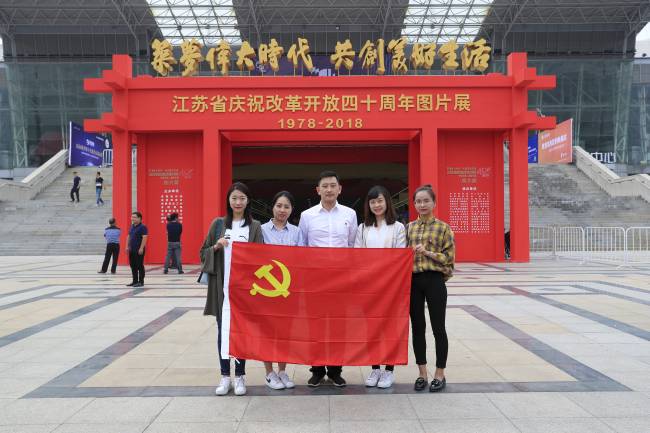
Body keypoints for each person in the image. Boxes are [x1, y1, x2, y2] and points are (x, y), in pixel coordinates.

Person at [200, 182, 264, 396]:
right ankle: (225, 376)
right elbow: (203, 252)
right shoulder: (218, 224)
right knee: (223, 331)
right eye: (234, 198)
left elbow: (261, 257)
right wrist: (216, 246)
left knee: (241, 332)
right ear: (228, 200)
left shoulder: (254, 226)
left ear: (248, 201)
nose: (238, 202)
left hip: (244, 289)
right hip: (222, 287)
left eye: (242, 198)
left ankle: (240, 376)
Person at [298, 170, 357, 388]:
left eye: (333, 185)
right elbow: (302, 247)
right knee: (315, 325)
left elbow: (352, 246)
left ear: (340, 189)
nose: (329, 189)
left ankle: (335, 370)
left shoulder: (350, 214)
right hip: (315, 279)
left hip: (341, 279)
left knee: (338, 326)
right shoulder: (307, 216)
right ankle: (316, 370)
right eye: (325, 186)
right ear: (318, 190)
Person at [354, 185, 406, 389]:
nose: (376, 205)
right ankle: (375, 367)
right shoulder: (362, 228)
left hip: (391, 286)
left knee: (390, 327)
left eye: (380, 201)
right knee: (371, 328)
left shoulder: (398, 227)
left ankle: (389, 370)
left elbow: (399, 255)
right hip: (369, 286)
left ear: (387, 202)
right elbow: (357, 255)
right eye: (373, 202)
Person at [407, 184, 455, 392]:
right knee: (417, 327)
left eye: (426, 200)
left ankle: (440, 373)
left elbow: (449, 259)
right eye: (418, 201)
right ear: (414, 204)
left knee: (438, 328)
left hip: (435, 280)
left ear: (434, 203)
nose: (422, 204)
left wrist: (427, 253)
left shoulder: (443, 228)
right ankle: (422, 373)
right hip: (413, 281)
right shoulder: (408, 228)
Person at [260, 191, 300, 391]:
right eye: (279, 206)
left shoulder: (297, 232)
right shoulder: (260, 230)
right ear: (273, 207)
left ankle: (282, 370)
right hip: (267, 290)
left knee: (285, 332)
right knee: (267, 332)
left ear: (291, 210)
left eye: (286, 206)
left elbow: (303, 258)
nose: (282, 210)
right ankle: (269, 373)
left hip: (288, 290)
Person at [125, 211, 148, 288]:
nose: (132, 218)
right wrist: (127, 246)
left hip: (139, 250)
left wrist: (141, 248)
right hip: (132, 249)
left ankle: (141, 281)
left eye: (134, 217)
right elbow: (128, 236)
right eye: (132, 217)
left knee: (139, 265)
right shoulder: (132, 226)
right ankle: (134, 281)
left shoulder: (143, 227)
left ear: (139, 218)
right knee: (133, 265)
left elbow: (145, 237)